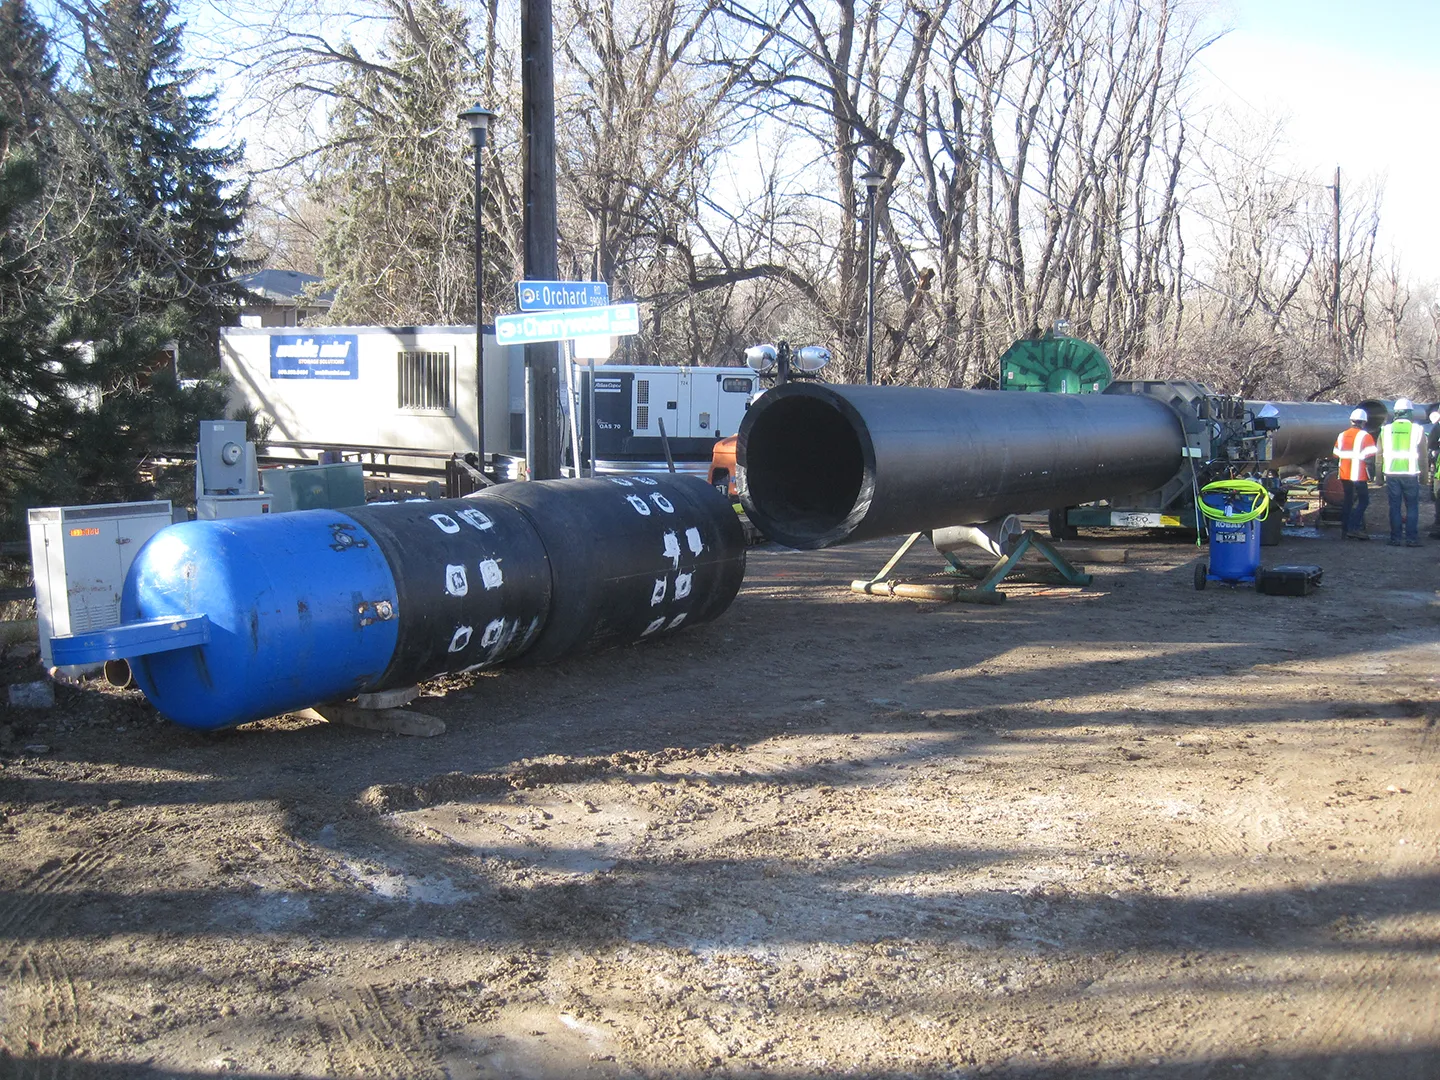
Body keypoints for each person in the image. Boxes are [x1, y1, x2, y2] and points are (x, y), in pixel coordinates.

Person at [1378, 397, 1425, 547]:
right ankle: (1411, 539)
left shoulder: (1386, 430)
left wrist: (1378, 478)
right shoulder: (1417, 429)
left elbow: (1379, 455)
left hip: (1391, 474)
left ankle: (1395, 538)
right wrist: (1425, 478)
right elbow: (1423, 456)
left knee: (1394, 507)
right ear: (1410, 412)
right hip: (1411, 474)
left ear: (1396, 413)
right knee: (1412, 507)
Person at [1332, 408, 1376, 539]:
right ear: (1363, 422)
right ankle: (1354, 527)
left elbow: (1335, 455)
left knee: (1348, 501)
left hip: (1344, 473)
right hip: (1358, 474)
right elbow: (1370, 456)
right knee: (1364, 501)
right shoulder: (1365, 436)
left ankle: (1345, 530)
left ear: (1351, 421)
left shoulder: (1341, 435)